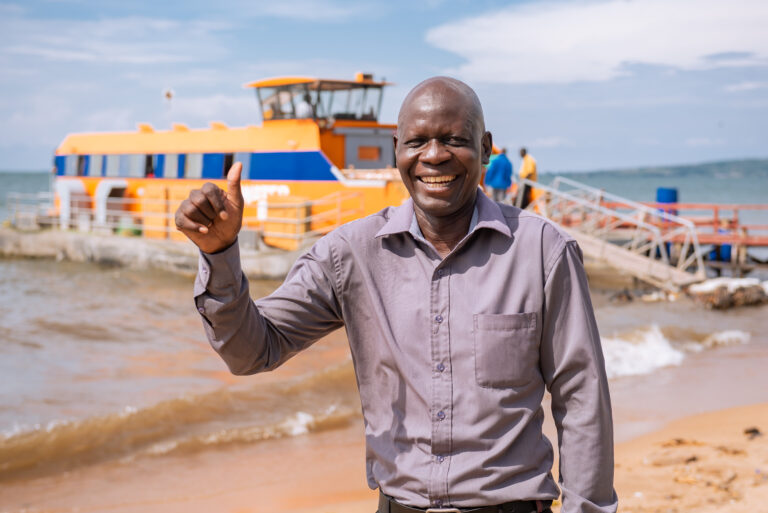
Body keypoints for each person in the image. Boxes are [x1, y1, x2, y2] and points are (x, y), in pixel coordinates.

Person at [175, 77, 618, 513]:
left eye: (453, 140)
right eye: (417, 142)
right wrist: (220, 254)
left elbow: (582, 396)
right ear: (396, 150)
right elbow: (252, 352)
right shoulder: (349, 255)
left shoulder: (542, 251)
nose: (434, 155)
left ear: (485, 148)